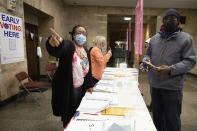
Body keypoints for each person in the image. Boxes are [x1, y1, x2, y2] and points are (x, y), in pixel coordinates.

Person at [142, 9, 196, 131]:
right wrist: (146, 61)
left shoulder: (186, 39)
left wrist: (171, 69)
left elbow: (190, 61)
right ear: (163, 20)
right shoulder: (154, 38)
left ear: (178, 22)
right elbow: (148, 54)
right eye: (167, 18)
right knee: (157, 117)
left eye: (174, 18)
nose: (170, 20)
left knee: (172, 119)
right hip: (155, 85)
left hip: (172, 87)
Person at [46, 25, 94, 128]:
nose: (81, 35)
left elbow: (88, 71)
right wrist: (55, 44)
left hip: (81, 88)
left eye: (84, 33)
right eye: (78, 33)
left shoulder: (85, 50)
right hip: (69, 89)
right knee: (69, 114)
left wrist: (89, 85)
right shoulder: (70, 47)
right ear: (73, 35)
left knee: (79, 112)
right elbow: (61, 48)